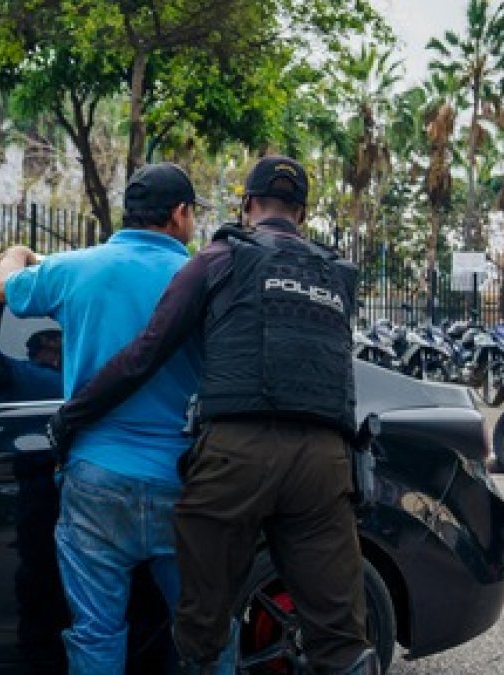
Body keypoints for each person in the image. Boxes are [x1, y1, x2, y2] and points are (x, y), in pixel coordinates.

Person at [49, 156, 377, 674]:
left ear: (247, 206)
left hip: (235, 457)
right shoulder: (336, 272)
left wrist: (71, 417)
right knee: (339, 638)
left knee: (205, 625)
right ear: (303, 214)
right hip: (323, 461)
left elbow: (146, 353)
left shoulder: (219, 258)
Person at [0, 162, 231, 675]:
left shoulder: (76, 269)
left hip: (96, 476)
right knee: (205, 635)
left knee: (96, 633)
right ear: (181, 214)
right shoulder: (205, 278)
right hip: (183, 479)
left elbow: (2, 288)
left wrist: (18, 255)